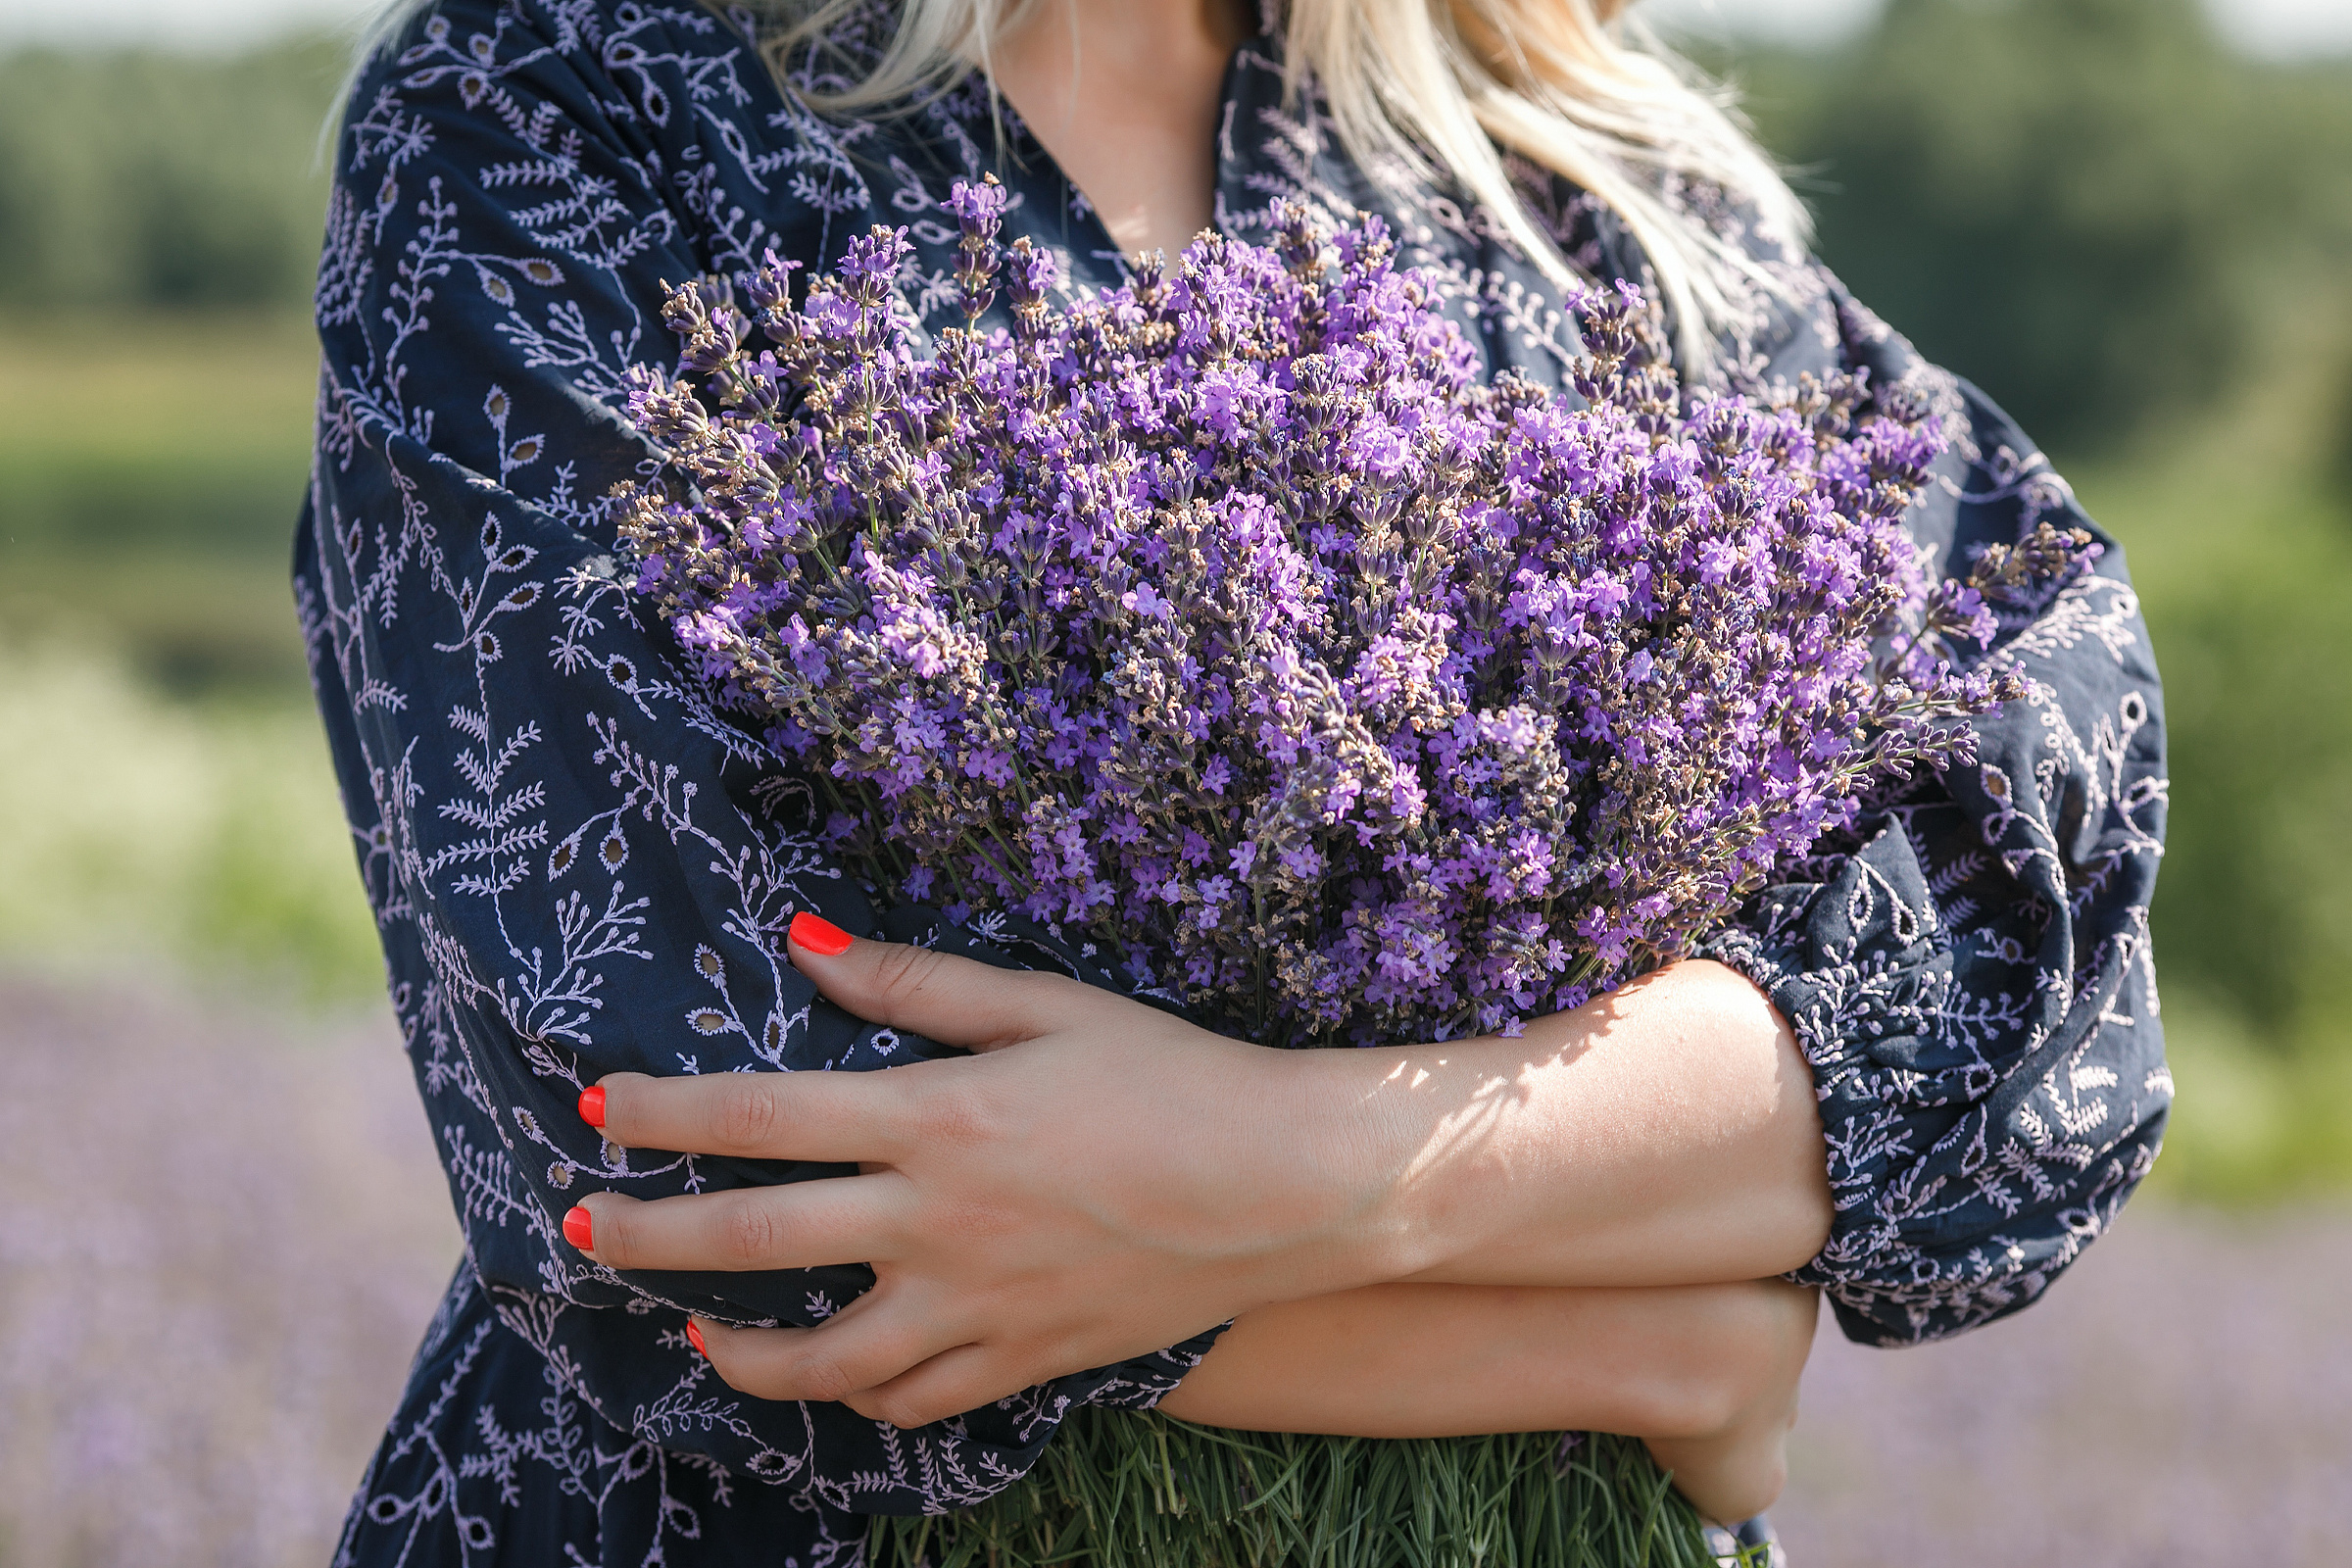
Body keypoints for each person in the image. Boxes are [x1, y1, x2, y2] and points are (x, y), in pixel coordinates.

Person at [303, 0, 2170, 1560]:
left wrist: (1324, 1173)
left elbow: (2028, 998)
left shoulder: (1596, 190)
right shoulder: (561, 106)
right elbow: (679, 1177)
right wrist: (1647, 1336)